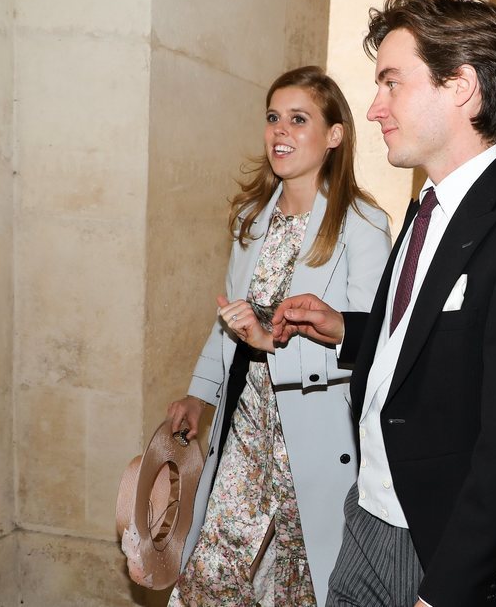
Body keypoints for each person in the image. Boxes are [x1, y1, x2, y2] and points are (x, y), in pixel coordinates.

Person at [273, 0, 496, 607]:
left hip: (441, 547)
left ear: (462, 86)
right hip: (366, 517)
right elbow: (430, 342)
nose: (373, 108)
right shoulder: (425, 208)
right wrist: (350, 330)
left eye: (392, 83)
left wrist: (448, 592)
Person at [166, 66, 391, 606]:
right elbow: (228, 323)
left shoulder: (363, 225)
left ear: (334, 135)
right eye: (272, 118)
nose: (280, 132)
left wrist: (278, 348)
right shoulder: (252, 220)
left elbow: (375, 344)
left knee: (299, 585)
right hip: (245, 429)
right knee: (212, 574)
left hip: (313, 436)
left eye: (298, 119)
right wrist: (199, 396)